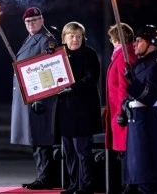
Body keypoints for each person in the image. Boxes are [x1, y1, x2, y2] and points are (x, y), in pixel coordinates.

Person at [10, 7, 60, 189]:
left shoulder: (47, 40)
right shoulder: (30, 38)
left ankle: (45, 178)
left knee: (41, 139)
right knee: (36, 140)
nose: (30, 24)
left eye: (34, 21)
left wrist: (41, 96)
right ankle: (42, 176)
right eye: (27, 22)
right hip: (30, 97)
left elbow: (50, 68)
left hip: (40, 99)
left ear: (42, 20)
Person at [122, 24, 157, 194]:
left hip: (148, 124)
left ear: (151, 43)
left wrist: (133, 83)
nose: (134, 44)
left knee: (149, 176)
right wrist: (125, 105)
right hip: (136, 121)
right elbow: (133, 96)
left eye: (139, 40)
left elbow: (149, 97)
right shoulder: (140, 64)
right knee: (139, 176)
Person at [57, 21, 102, 194]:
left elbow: (91, 79)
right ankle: (74, 184)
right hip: (66, 111)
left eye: (78, 36)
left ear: (83, 37)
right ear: (64, 37)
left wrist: (72, 88)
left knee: (82, 150)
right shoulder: (58, 56)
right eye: (71, 36)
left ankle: (86, 185)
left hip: (83, 111)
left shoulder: (89, 54)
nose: (75, 39)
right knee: (69, 151)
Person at [104, 23, 138, 194]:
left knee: (127, 152)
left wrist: (122, 112)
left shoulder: (125, 54)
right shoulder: (120, 54)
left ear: (117, 38)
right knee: (123, 152)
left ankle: (129, 186)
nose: (110, 41)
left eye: (112, 38)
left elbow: (124, 86)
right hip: (118, 110)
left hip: (122, 112)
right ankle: (127, 184)